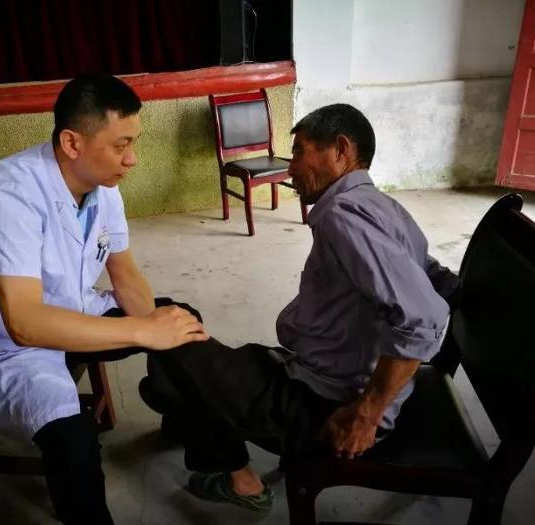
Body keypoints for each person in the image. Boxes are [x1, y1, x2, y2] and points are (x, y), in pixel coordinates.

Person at [140, 103, 460, 514]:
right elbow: (433, 275)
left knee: (168, 334)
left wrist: (366, 414)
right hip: (316, 373)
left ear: (340, 149)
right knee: (188, 344)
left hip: (323, 404)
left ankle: (239, 478)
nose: (290, 169)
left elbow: (423, 317)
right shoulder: (383, 206)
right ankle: (175, 402)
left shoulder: (343, 216)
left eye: (299, 152)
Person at [0, 74, 208, 525]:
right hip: (5, 347)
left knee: (183, 322)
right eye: (121, 145)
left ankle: (182, 417)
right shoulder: (10, 192)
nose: (132, 158)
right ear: (71, 143)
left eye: (134, 143)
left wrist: (159, 328)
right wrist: (141, 331)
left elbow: (125, 274)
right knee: (74, 439)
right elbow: (24, 322)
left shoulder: (103, 186)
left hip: (76, 311)